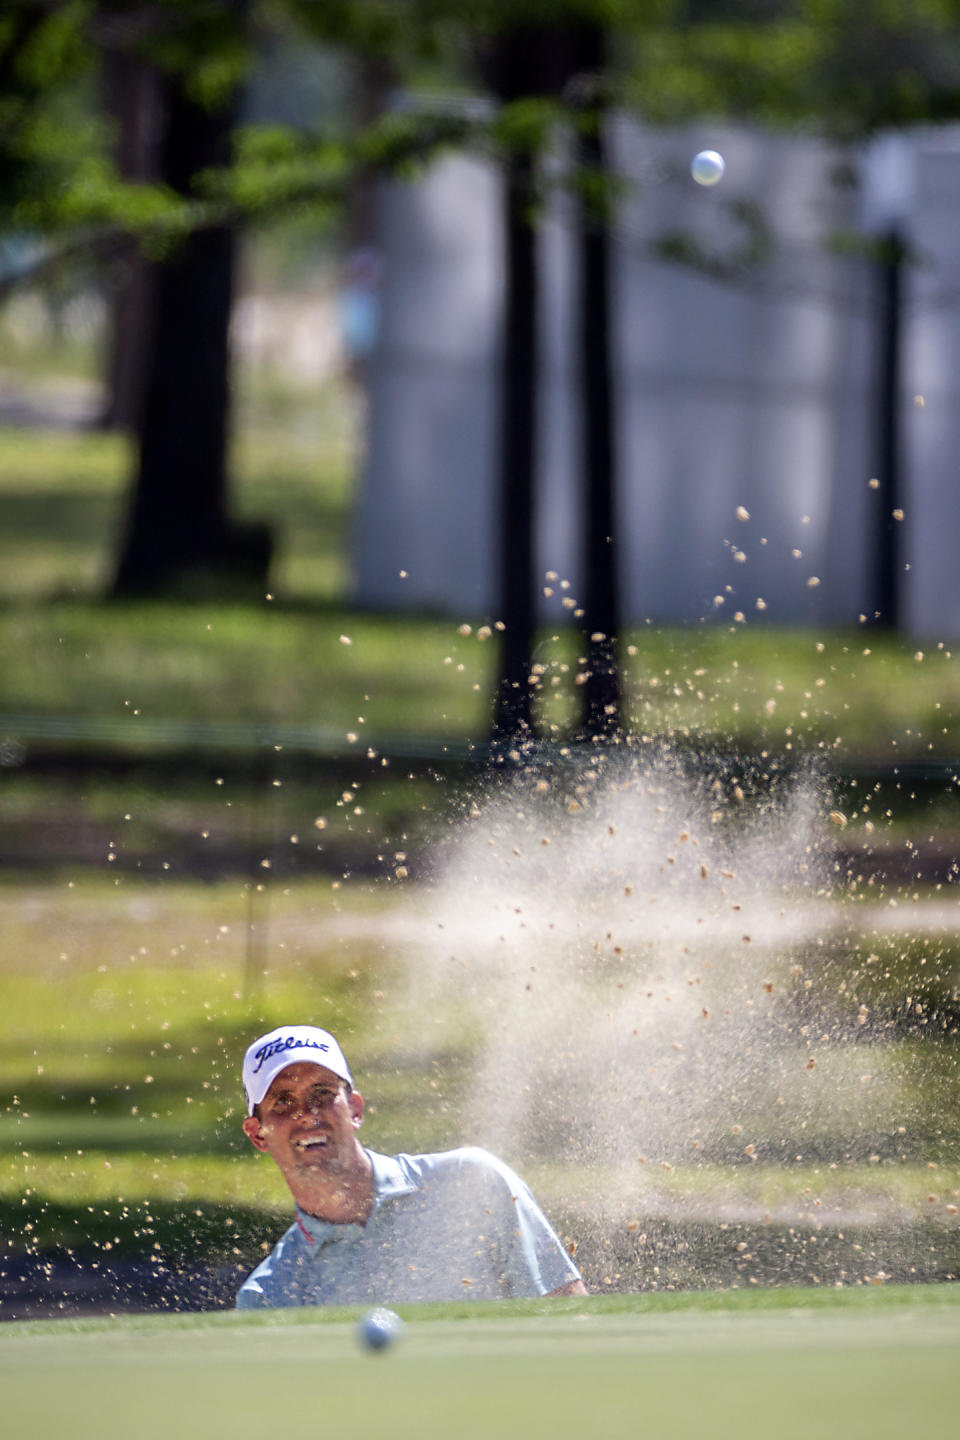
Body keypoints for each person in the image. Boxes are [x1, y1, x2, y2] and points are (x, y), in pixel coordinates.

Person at [236, 1023, 587, 1308]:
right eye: (282, 1101)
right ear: (258, 1135)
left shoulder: (472, 1184)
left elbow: (570, 1322)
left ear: (355, 1109)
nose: (307, 1115)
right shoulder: (271, 1297)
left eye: (322, 1093)